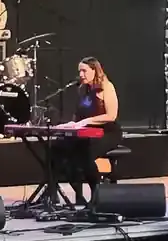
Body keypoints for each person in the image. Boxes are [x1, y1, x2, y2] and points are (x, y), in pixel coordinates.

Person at [53, 57, 123, 205]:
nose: (81, 74)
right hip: (86, 132)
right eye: (79, 71)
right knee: (58, 149)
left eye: (84, 71)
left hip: (107, 132)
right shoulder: (83, 90)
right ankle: (76, 197)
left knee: (85, 152)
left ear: (94, 70)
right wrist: (71, 124)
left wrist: (86, 122)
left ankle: (96, 195)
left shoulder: (106, 87)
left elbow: (111, 115)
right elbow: (79, 117)